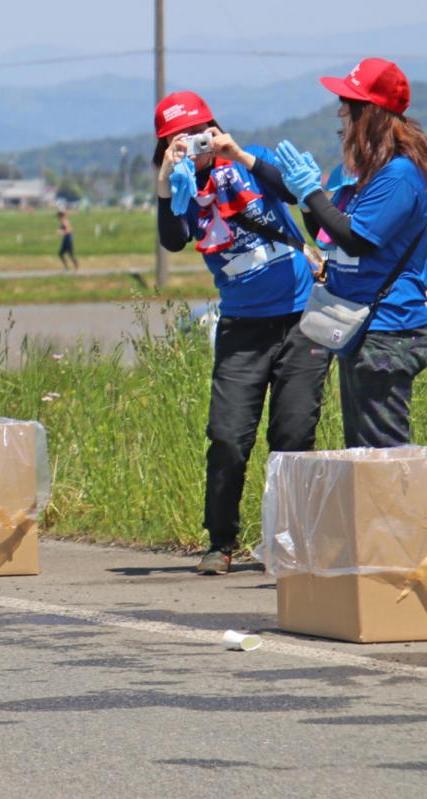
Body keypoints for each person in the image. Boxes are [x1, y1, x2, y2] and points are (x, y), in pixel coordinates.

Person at [153, 91, 331, 576]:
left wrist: (237, 153)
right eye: (180, 138)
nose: (195, 142)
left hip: (300, 317)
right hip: (241, 326)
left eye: (200, 130)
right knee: (228, 437)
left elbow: (292, 191)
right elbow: (172, 239)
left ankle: (291, 542)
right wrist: (168, 180)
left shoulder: (251, 160)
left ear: (216, 127)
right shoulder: (185, 185)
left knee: (294, 434)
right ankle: (221, 541)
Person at [277, 59, 427, 448]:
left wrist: (311, 192)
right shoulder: (370, 174)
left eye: (349, 102)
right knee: (364, 450)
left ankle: (400, 512)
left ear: (372, 114)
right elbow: (330, 234)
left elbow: (357, 239)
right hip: (361, 325)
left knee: (384, 453)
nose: (341, 110)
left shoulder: (399, 176)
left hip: (387, 329)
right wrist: (308, 202)